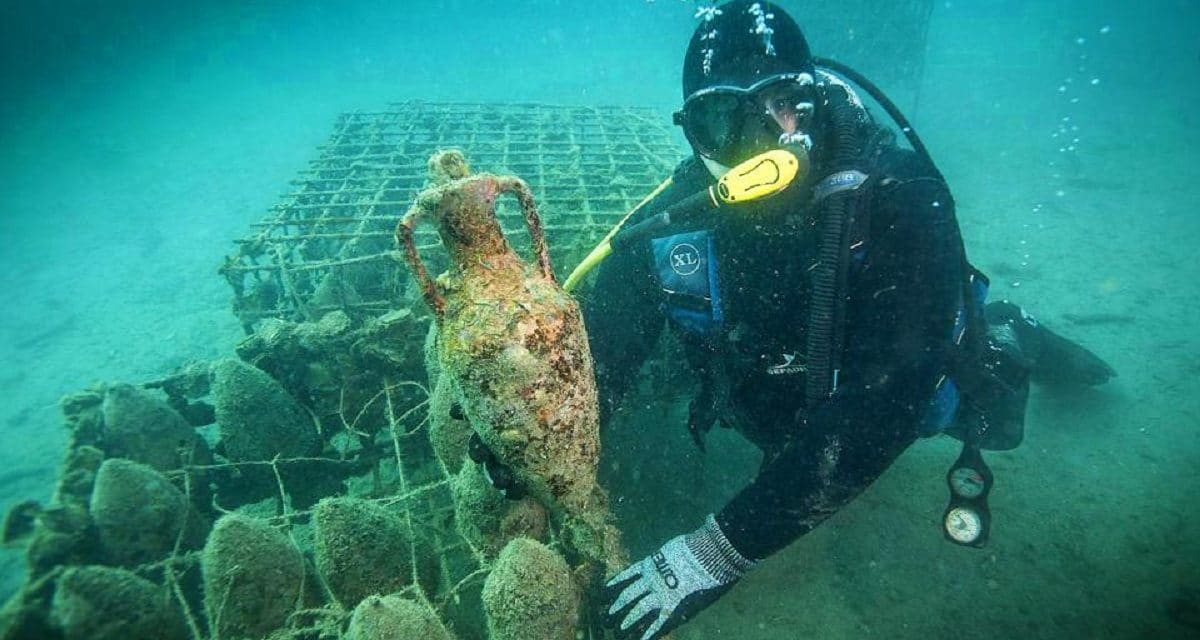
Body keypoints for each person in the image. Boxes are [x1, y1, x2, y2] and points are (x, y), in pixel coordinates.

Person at [577, 2, 1116, 639]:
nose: (756, 141)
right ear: (692, 131)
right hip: (770, 397)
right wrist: (543, 429)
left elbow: (880, 408)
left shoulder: (901, 202)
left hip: (881, 380)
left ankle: (1006, 330)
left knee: (975, 408)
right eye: (721, 116)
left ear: (814, 105)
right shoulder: (680, 218)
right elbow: (601, 344)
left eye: (780, 104)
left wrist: (714, 552)